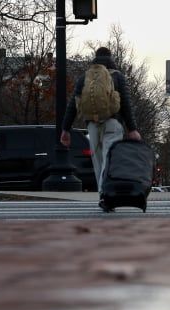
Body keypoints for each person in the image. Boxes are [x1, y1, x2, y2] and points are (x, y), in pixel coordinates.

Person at [60, 47, 141, 210]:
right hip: (113, 123)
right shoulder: (117, 76)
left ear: (95, 59)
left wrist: (65, 129)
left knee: (98, 163)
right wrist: (132, 128)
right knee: (109, 159)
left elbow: (73, 105)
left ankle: (103, 195)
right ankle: (108, 194)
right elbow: (125, 103)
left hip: (92, 125)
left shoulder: (85, 77)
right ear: (110, 58)